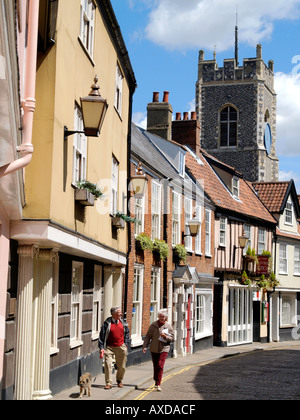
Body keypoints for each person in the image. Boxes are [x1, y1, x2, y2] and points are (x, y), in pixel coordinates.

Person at [143, 309, 174, 391]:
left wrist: (165, 337)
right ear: (158, 316)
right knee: (155, 365)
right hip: (154, 348)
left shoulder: (168, 326)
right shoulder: (153, 325)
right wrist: (145, 346)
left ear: (165, 317)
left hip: (164, 348)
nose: (162, 318)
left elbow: (173, 338)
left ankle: (158, 384)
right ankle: (156, 378)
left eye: (163, 317)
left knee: (160, 365)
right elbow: (148, 337)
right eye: (160, 316)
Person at [98, 306, 130, 390]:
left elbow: (127, 332)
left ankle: (119, 380)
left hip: (121, 347)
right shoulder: (107, 323)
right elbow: (101, 336)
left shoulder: (123, 322)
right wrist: (101, 347)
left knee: (122, 366)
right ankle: (108, 383)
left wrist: (126, 343)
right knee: (108, 365)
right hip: (109, 347)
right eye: (119, 312)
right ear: (114, 314)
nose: (121, 314)